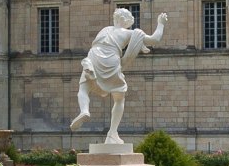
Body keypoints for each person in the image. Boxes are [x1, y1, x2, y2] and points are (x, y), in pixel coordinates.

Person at [70, 8, 167, 145]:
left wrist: (139, 45)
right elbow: (154, 39)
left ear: (115, 19)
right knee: (119, 97)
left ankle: (84, 110)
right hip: (111, 60)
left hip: (93, 57)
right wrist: (160, 23)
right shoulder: (129, 33)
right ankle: (112, 133)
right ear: (127, 22)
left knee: (84, 88)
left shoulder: (105, 30)